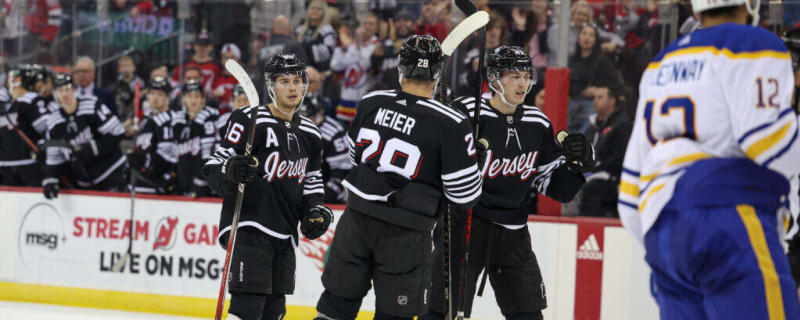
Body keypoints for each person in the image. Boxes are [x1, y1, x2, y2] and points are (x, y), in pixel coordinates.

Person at [618, 0, 800, 317]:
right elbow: (765, 139)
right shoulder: (752, 42)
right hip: (728, 216)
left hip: (662, 230)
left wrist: (663, 244)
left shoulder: (661, 62)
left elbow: (631, 190)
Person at [314, 35, 482, 320]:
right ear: (438, 75)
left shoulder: (371, 101)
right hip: (405, 233)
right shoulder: (452, 121)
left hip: (356, 221)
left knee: (335, 306)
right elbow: (464, 196)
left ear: (400, 70)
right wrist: (471, 159)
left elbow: (355, 157)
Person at [422, 46, 591, 320]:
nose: (523, 83)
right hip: (464, 225)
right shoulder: (467, 112)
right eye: (514, 76)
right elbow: (433, 162)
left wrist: (578, 167)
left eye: (526, 75)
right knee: (441, 313)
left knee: (528, 316)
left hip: (514, 234)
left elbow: (558, 190)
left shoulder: (537, 122)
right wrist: (461, 158)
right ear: (494, 78)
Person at [203, 54, 332, 320]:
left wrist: (315, 209)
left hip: (285, 232)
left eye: (298, 80)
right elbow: (213, 166)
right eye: (285, 81)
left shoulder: (311, 132)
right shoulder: (248, 119)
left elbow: (312, 180)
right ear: (271, 86)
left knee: (274, 310)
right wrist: (230, 170)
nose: (293, 87)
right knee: (249, 306)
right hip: (249, 225)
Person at [42, 73, 127, 198]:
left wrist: (93, 148)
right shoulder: (54, 122)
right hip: (84, 182)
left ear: (74, 90)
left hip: (112, 172)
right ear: (55, 94)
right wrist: (50, 180)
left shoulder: (92, 106)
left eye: (68, 89)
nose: (64, 94)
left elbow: (118, 132)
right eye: (60, 91)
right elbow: (54, 157)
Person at [572, 85, 632, 217]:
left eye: (600, 97)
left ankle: (585, 228)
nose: (595, 101)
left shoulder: (622, 125)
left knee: (592, 189)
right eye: (594, 97)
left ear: (612, 101)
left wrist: (597, 166)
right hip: (591, 174)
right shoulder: (592, 126)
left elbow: (619, 156)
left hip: (610, 177)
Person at [297, 67, 349, 204]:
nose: (304, 123)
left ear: (319, 115)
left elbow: (343, 173)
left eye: (309, 118)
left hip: (324, 195)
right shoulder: (286, 126)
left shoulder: (333, 133)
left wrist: (321, 198)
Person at [0, 64, 49, 186]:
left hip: (15, 166)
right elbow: (48, 130)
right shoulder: (30, 99)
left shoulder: (26, 100)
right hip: (24, 166)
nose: (40, 86)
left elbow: (48, 130)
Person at [129, 76, 178, 194]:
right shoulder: (147, 117)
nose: (155, 98)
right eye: (152, 93)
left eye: (160, 94)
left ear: (167, 98)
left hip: (155, 184)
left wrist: (144, 161)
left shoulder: (168, 120)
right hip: (139, 180)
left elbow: (168, 158)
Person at [174, 79, 219, 197]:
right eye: (189, 96)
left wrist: (201, 182)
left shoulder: (209, 117)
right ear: (183, 99)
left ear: (203, 99)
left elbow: (208, 155)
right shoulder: (178, 120)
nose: (193, 100)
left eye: (197, 96)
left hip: (203, 186)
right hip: (184, 184)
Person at [331, 13, 379, 122]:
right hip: (345, 100)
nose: (367, 26)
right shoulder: (349, 44)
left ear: (377, 28)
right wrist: (350, 46)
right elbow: (335, 66)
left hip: (365, 100)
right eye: (365, 23)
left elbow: (365, 64)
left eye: (371, 24)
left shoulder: (377, 46)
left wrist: (353, 46)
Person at [296, 0, 338, 74]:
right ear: (308, 10)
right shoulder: (299, 29)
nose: (315, 11)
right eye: (312, 8)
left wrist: (305, 46)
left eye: (318, 9)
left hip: (320, 73)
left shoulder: (327, 30)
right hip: (301, 72)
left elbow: (329, 52)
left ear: (324, 13)